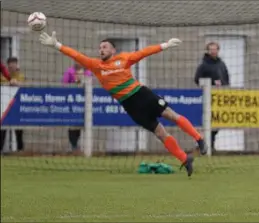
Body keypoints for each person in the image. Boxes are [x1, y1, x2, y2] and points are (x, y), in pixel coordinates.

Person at [38, 31, 205, 177]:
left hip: (142, 94)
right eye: (100, 47)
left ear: (113, 50)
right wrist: (56, 45)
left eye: (105, 47)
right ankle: (185, 159)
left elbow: (143, 52)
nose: (101, 49)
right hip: (130, 106)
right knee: (160, 133)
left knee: (171, 115)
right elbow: (76, 55)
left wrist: (165, 45)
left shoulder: (123, 59)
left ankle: (199, 139)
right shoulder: (96, 66)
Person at [194, 42, 230, 153]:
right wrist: (210, 84)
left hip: (220, 99)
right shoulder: (204, 65)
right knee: (207, 122)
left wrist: (223, 85)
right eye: (211, 49)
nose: (213, 51)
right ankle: (204, 146)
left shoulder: (222, 64)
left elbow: (227, 79)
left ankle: (210, 145)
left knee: (217, 123)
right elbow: (197, 79)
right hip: (208, 99)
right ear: (208, 51)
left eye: (215, 49)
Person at [62, 63, 92, 152]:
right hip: (72, 103)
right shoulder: (70, 71)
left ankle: (80, 146)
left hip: (84, 103)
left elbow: (89, 82)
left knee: (81, 124)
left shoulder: (87, 72)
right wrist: (75, 81)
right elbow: (64, 84)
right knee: (72, 125)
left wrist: (81, 79)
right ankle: (74, 145)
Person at [0, 57, 25, 152]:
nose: (12, 67)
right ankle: (1, 149)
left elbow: (22, 84)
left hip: (16, 106)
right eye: (10, 65)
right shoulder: (3, 76)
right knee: (3, 129)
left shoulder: (20, 75)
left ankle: (20, 149)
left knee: (19, 129)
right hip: (4, 106)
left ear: (16, 65)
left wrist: (16, 82)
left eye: (13, 64)